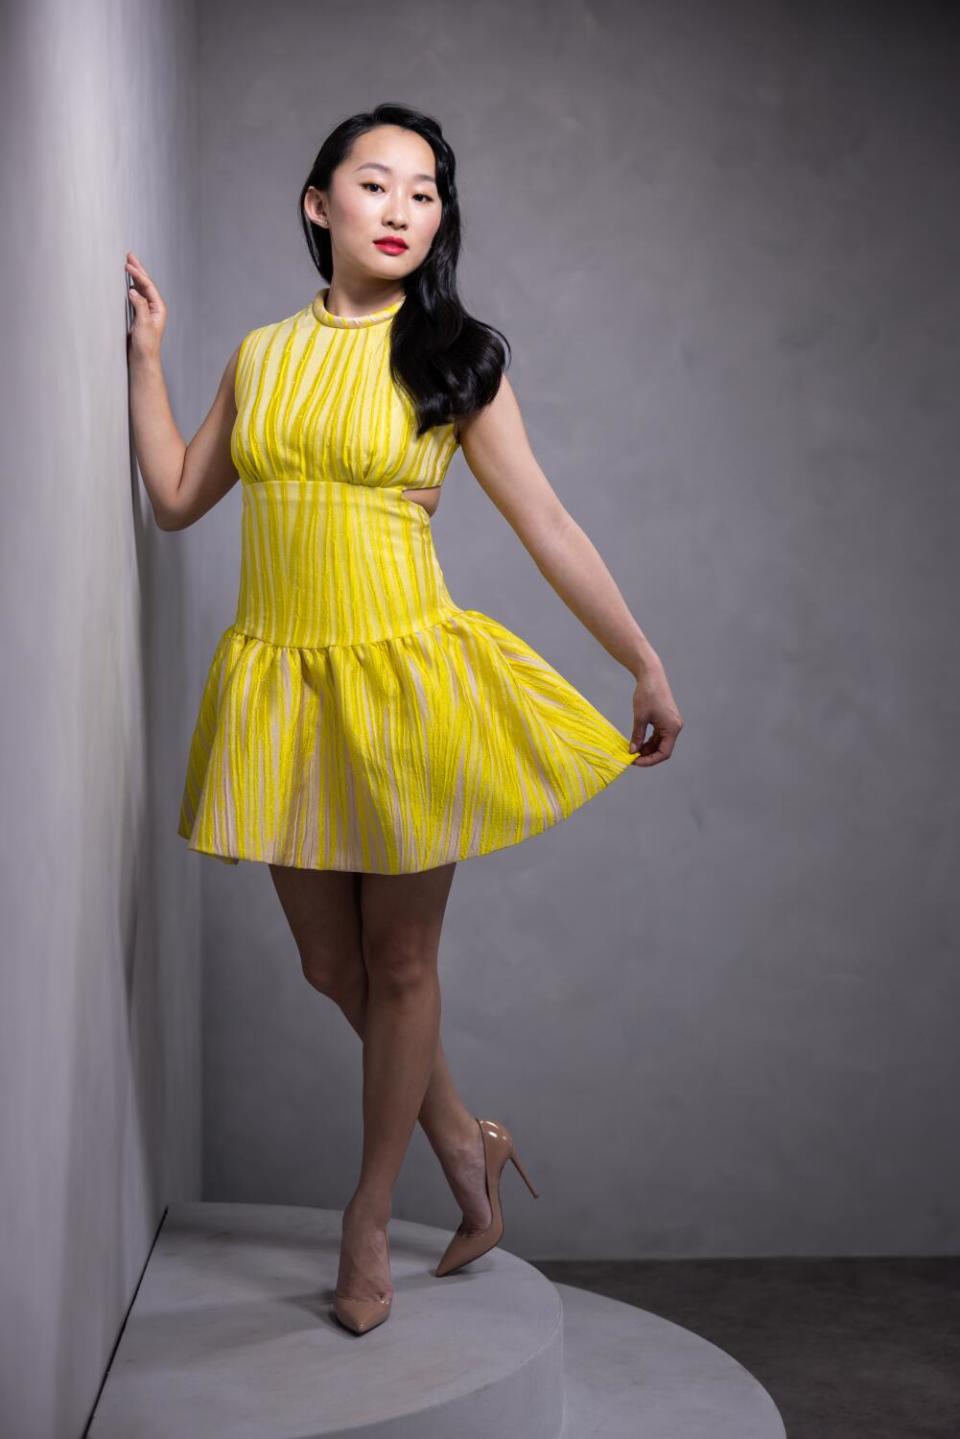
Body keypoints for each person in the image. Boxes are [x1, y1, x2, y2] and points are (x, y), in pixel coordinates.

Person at [125, 102, 683, 1336]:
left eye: (424, 192)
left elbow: (548, 522)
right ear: (320, 204)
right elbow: (173, 498)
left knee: (404, 962)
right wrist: (147, 361)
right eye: (375, 185)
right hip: (285, 688)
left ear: (439, 220)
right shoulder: (262, 355)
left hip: (406, 684)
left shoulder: (455, 356)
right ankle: (462, 1134)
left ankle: (368, 1216)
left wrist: (640, 660)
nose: (401, 210)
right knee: (335, 963)